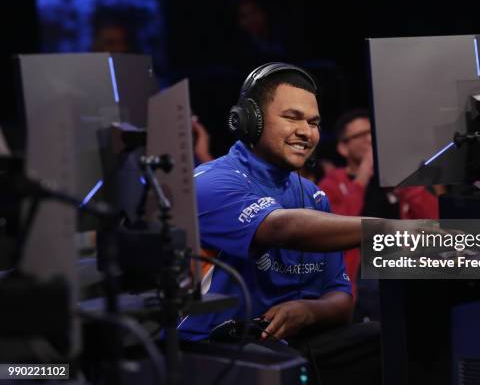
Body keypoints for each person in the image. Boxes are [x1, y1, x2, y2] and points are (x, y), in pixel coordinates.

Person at [178, 63, 380, 384]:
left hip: (288, 341)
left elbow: (342, 302)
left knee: (384, 340)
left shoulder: (313, 197)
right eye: (292, 117)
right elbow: (281, 227)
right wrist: (388, 230)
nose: (306, 131)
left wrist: (307, 311)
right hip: (214, 347)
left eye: (313, 122)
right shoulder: (211, 182)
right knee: (284, 369)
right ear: (250, 121)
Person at [318, 109, 439, 301]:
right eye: (360, 135)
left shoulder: (396, 182)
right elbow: (335, 227)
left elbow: (435, 218)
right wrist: (363, 176)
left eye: (372, 133)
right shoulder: (331, 184)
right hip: (363, 278)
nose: (369, 139)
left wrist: (403, 181)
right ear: (343, 147)